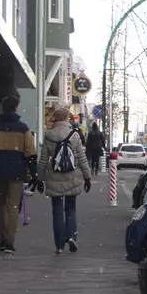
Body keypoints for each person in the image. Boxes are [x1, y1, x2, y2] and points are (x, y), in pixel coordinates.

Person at [0, 94, 37, 254]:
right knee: (13, 207)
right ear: (16, 108)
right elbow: (30, 152)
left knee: (0, 207)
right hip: (17, 172)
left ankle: (2, 239)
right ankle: (10, 242)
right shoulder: (23, 128)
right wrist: (33, 174)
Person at [37, 107, 94, 255]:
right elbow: (82, 158)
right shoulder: (74, 135)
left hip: (54, 176)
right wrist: (87, 177)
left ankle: (59, 245)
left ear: (55, 118)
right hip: (72, 175)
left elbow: (43, 160)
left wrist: (39, 179)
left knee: (57, 211)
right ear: (67, 119)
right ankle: (71, 236)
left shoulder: (48, 135)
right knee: (71, 208)